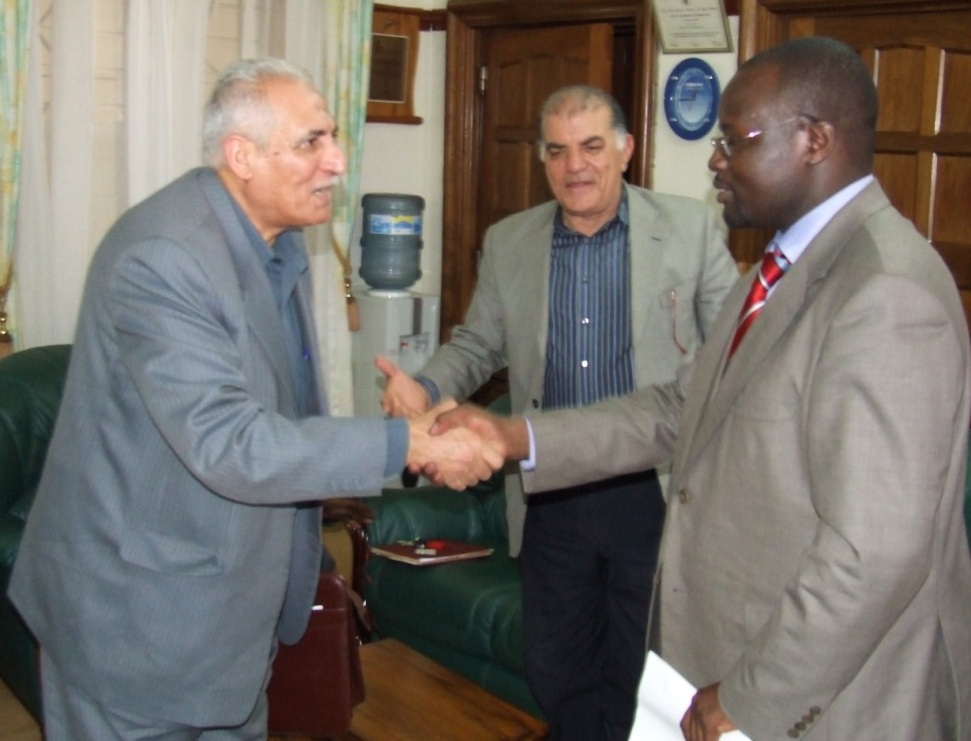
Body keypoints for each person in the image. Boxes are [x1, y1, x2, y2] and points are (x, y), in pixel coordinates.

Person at [433, 37, 971, 740]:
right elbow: (678, 406)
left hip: (832, 700)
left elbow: (872, 554)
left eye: (734, 140)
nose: (715, 160)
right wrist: (514, 435)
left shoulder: (885, 291)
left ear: (812, 141)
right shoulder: (772, 270)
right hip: (742, 644)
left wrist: (753, 695)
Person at [7, 57, 499, 739]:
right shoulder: (163, 256)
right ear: (241, 156)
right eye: (311, 142)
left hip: (229, 624)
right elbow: (230, 441)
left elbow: (286, 420)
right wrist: (406, 443)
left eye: (333, 136)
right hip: (134, 628)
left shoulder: (277, 243)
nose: (336, 161)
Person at [380, 85, 738, 739]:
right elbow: (476, 344)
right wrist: (427, 390)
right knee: (559, 671)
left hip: (652, 491)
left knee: (642, 673)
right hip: (548, 493)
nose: (575, 165)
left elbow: (727, 359)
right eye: (557, 150)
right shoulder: (510, 240)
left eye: (592, 146)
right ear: (543, 160)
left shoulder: (688, 229)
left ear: (625, 150)